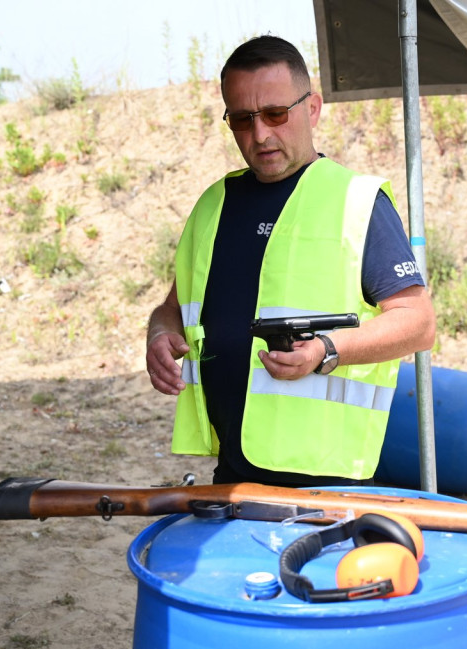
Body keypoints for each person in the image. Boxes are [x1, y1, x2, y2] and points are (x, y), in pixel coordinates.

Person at [145, 36, 435, 487]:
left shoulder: (357, 202)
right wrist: (161, 334)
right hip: (232, 470)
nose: (260, 134)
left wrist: (327, 351)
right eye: (242, 119)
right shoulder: (212, 206)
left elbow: (417, 322)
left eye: (276, 114)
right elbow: (174, 307)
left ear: (313, 108)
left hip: (327, 481)